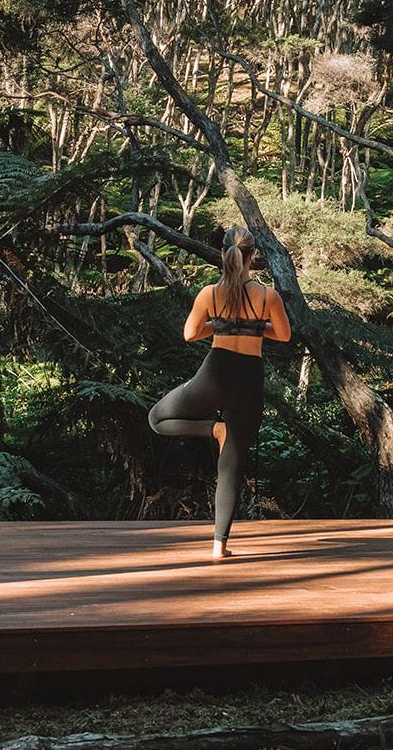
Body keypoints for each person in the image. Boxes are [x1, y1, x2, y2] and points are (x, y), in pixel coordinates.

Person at [148, 227, 291, 559]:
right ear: (253, 256)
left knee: (156, 418)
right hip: (249, 380)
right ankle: (219, 546)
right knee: (231, 467)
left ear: (223, 254)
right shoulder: (268, 296)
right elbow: (284, 335)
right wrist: (254, 326)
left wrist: (221, 323)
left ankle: (214, 430)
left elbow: (190, 333)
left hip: (214, 374)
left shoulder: (209, 294)